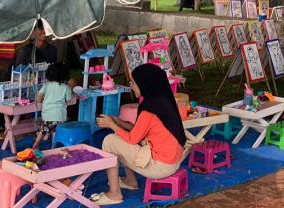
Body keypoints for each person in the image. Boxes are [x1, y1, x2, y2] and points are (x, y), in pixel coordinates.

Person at [91, 63, 186, 206]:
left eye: (133, 83)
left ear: (144, 83)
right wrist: (117, 121)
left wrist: (111, 125)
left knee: (110, 141)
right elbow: (137, 131)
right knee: (119, 139)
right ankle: (130, 181)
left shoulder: (150, 108)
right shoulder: (162, 100)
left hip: (161, 166)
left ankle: (114, 194)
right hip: (173, 161)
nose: (132, 86)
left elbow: (132, 138)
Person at [31, 63, 72, 150]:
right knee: (57, 131)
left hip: (47, 114)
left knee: (43, 130)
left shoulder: (46, 85)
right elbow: (68, 100)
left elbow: (39, 96)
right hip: (60, 115)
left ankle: (36, 144)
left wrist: (39, 101)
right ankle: (54, 147)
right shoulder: (66, 88)